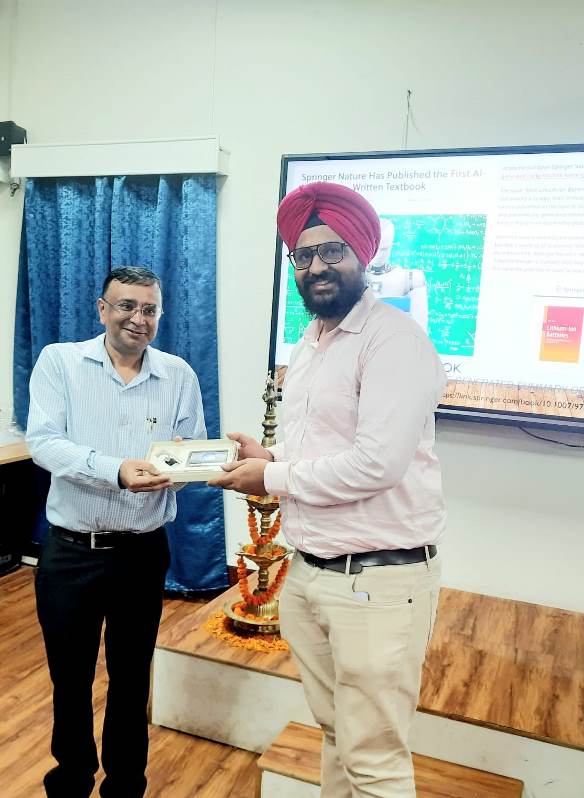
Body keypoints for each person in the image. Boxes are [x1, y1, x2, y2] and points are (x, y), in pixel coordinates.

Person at [209, 182, 446, 797]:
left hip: (377, 579)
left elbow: (376, 465)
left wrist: (272, 477)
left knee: (374, 761)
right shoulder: (309, 343)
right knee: (339, 736)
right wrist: (272, 458)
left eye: (331, 250)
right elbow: (321, 450)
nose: (316, 266)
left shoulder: (393, 339)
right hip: (311, 572)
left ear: (362, 254)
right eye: (303, 255)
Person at [26, 266, 206, 798]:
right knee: (70, 677)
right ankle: (71, 779)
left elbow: (191, 452)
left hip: (141, 553)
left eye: (149, 309)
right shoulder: (60, 362)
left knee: (131, 679)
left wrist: (184, 467)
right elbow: (44, 443)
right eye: (126, 306)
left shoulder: (179, 375)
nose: (137, 318)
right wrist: (117, 471)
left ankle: (126, 785)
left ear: (159, 315)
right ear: (102, 309)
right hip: (71, 554)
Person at [367, 218, 430, 332]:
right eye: (375, 249)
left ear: (390, 246)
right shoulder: (353, 276)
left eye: (383, 249)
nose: (378, 255)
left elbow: (421, 329)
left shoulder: (410, 278)